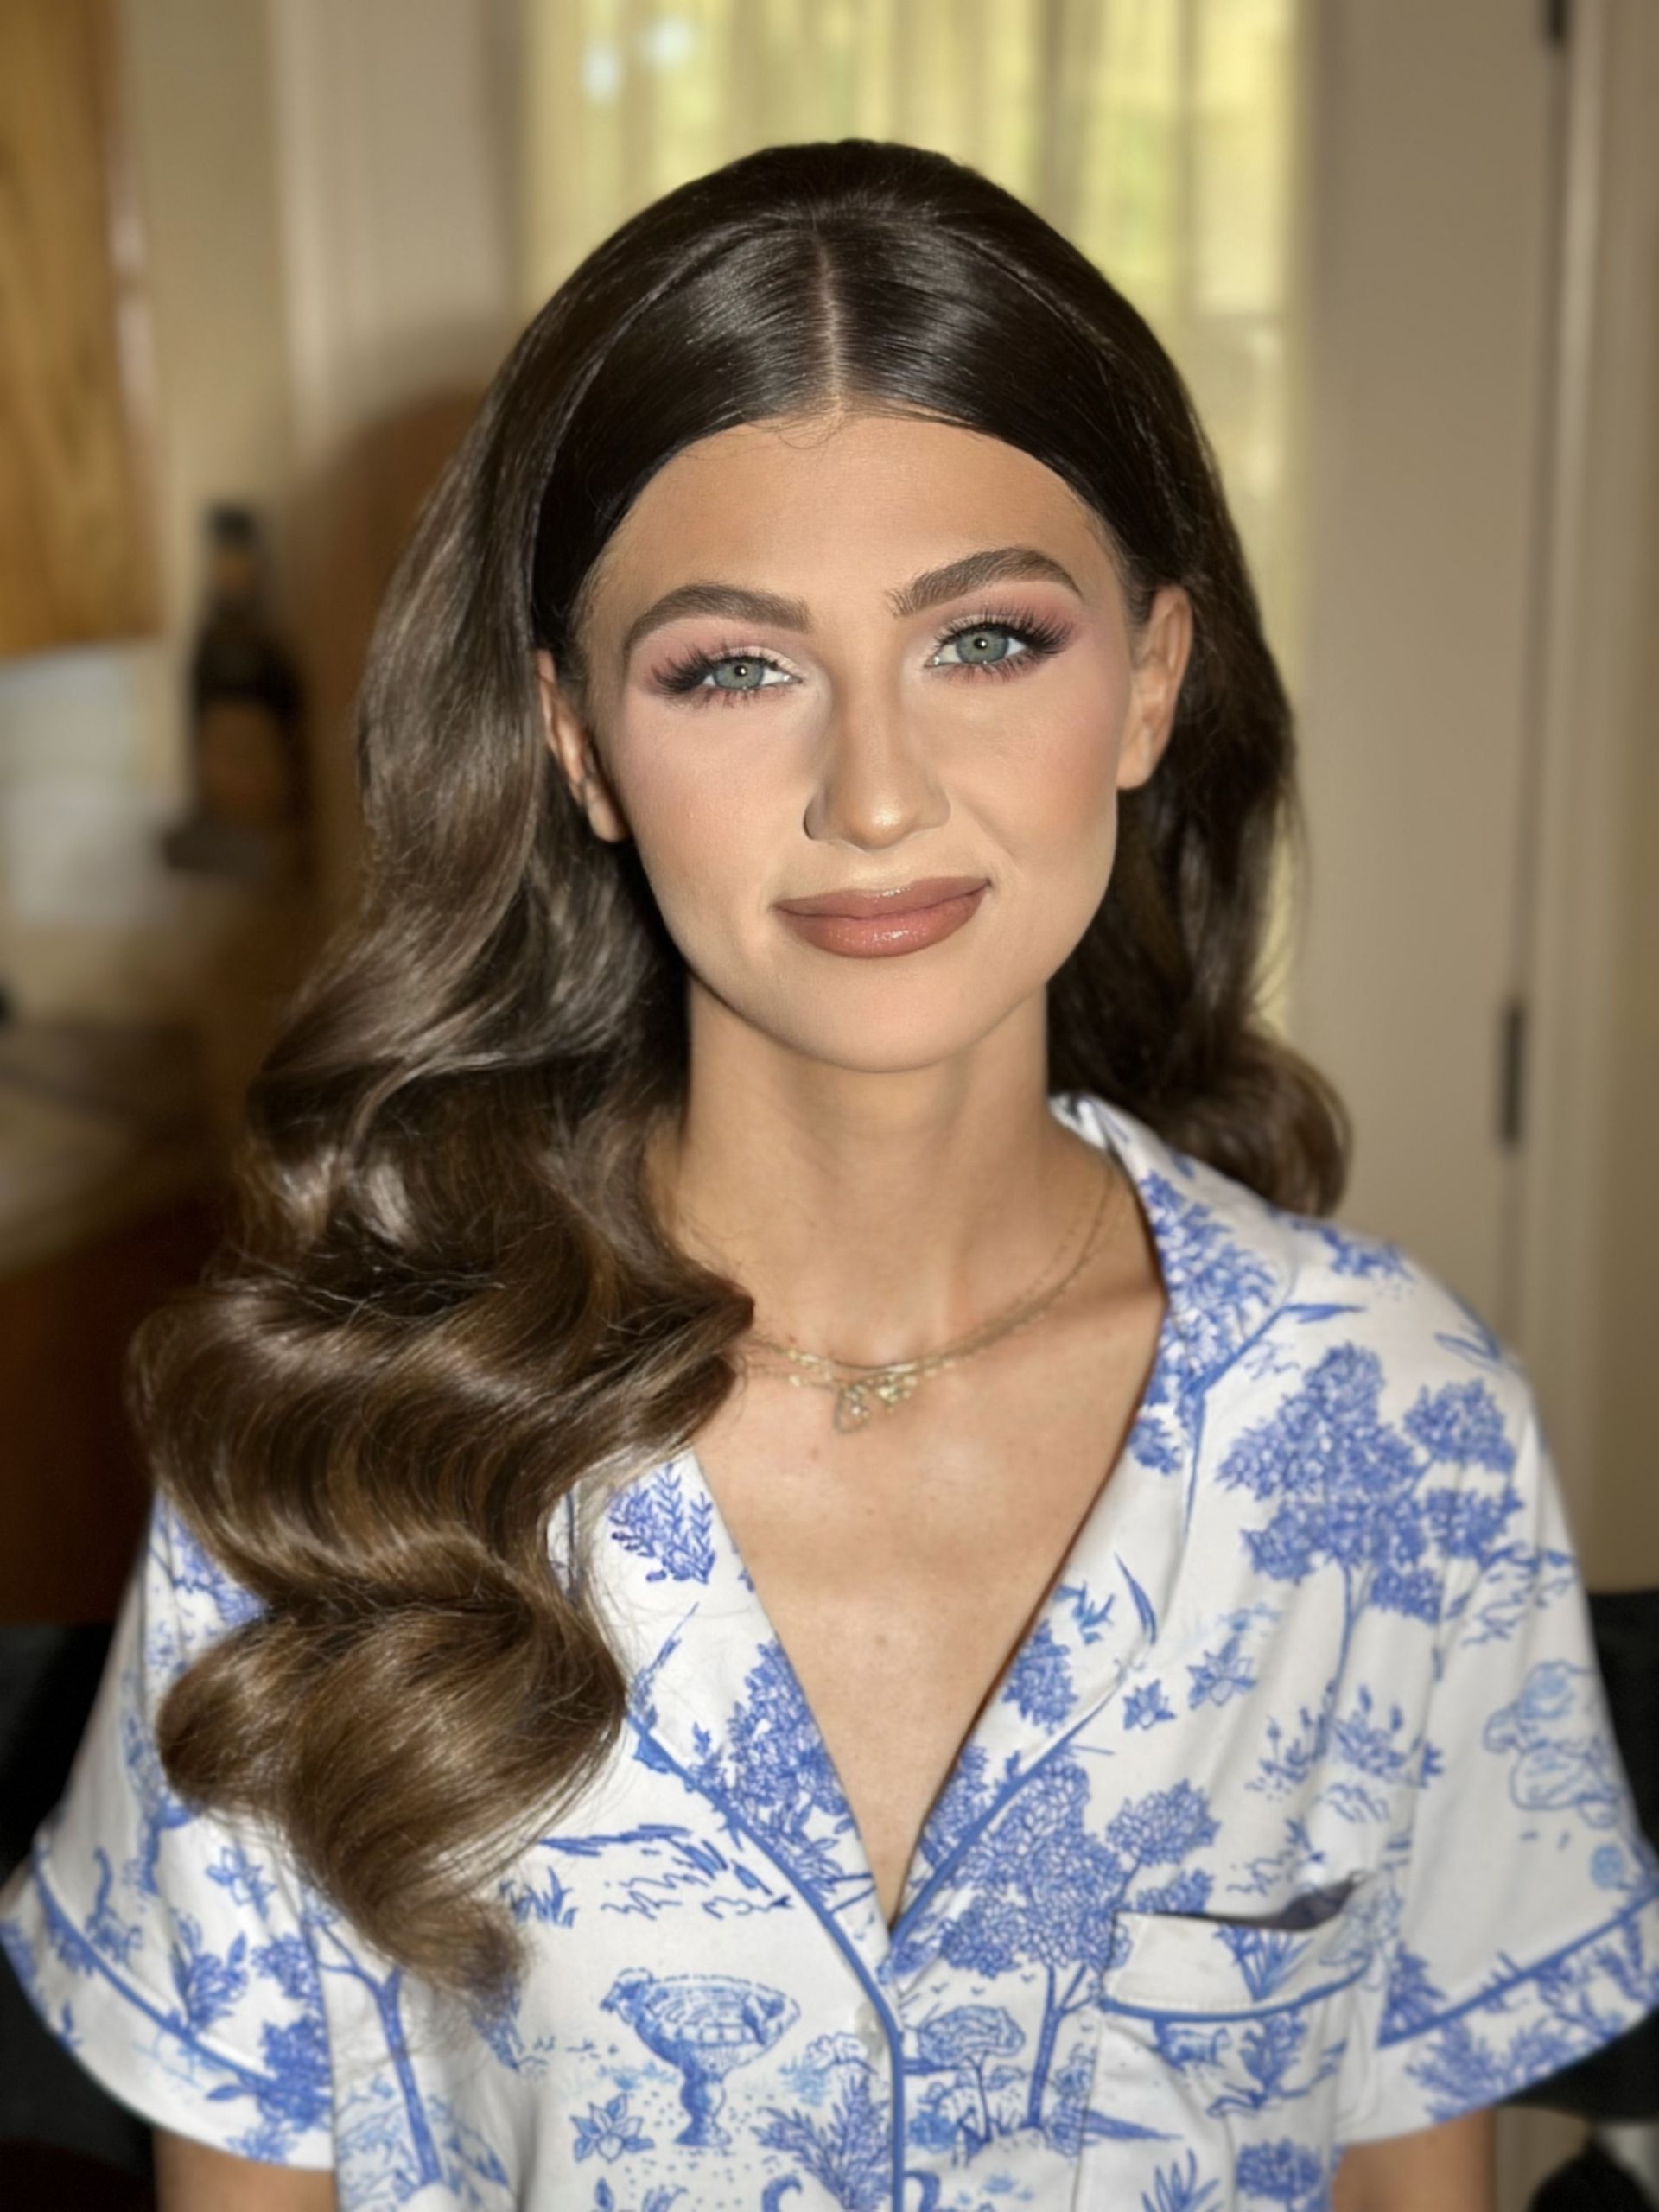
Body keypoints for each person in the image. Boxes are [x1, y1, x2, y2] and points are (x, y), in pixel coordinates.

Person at [2, 138, 1655, 2212]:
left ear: (1151, 681)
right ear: (579, 744)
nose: (875, 793)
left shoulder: (1400, 1432)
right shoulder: (334, 1448)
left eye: (988, 640)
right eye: (733, 665)